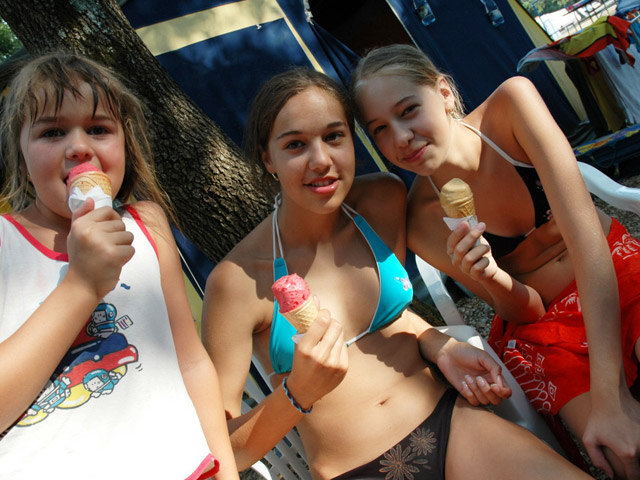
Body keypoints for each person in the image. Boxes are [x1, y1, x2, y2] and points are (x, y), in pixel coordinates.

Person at [201, 67, 591, 480]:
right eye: (295, 145)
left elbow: (389, 319)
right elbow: (222, 451)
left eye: (334, 136)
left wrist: (437, 343)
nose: (321, 161)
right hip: (354, 469)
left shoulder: (382, 201)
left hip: (450, 423)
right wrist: (297, 393)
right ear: (268, 159)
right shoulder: (236, 281)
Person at [350, 43, 640, 479]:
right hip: (547, 330)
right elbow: (527, 312)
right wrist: (491, 276)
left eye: (408, 111)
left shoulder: (512, 108)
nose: (401, 138)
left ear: (443, 93)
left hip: (612, 270)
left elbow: (588, 244)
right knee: (619, 455)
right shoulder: (423, 221)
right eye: (380, 130)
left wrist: (610, 395)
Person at [0, 52, 238, 480]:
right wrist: (82, 284)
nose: (79, 147)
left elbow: (190, 363)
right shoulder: (5, 243)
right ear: (20, 152)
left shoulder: (147, 224)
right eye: (52, 132)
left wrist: (226, 470)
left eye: (98, 129)